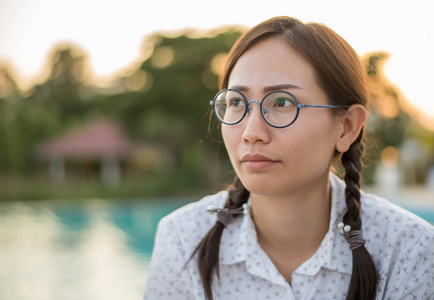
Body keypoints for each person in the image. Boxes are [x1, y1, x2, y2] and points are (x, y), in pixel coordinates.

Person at [144, 16, 434, 300]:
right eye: (236, 102)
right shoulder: (182, 239)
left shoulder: (408, 250)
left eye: (282, 102)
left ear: (346, 126)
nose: (251, 132)